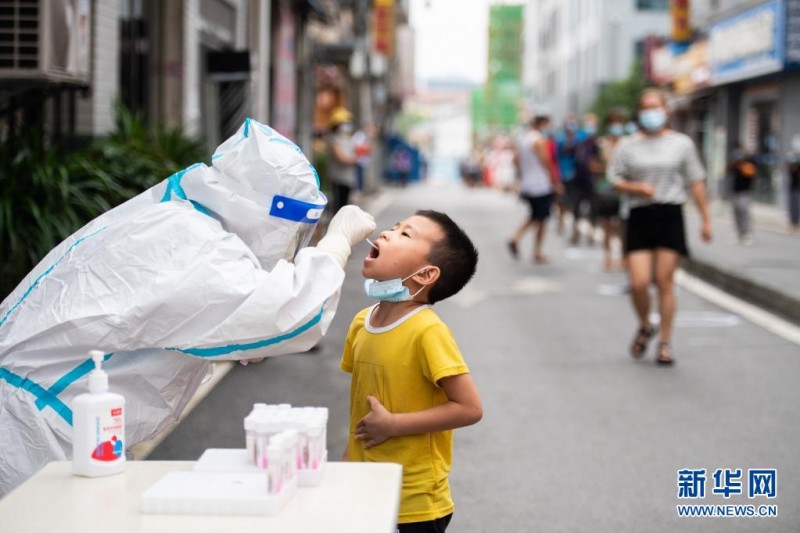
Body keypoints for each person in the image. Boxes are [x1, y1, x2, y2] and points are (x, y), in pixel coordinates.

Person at [0, 118, 376, 497]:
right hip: (36, 434)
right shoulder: (195, 246)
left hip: (58, 422)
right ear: (261, 211)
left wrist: (244, 329)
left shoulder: (178, 219)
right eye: (291, 229)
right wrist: (338, 241)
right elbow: (295, 313)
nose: (290, 241)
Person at [341, 210, 482, 532]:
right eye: (393, 228)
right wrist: (347, 465)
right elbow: (361, 409)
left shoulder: (426, 331)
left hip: (414, 503)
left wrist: (393, 425)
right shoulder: (363, 322)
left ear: (424, 275)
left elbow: (470, 408)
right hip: (364, 488)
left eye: (405, 234)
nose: (388, 233)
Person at [608, 88, 712, 365]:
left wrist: (705, 219)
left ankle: (665, 342)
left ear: (666, 110)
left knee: (665, 282)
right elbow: (613, 179)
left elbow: (696, 180)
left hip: (670, 213)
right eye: (645, 107)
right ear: (640, 112)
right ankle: (645, 324)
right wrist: (636, 188)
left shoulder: (682, 144)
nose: (650, 112)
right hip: (639, 214)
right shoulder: (627, 145)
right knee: (639, 282)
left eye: (655, 107)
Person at [507, 115, 564, 263]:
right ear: (542, 123)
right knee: (540, 217)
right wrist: (555, 180)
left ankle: (533, 248)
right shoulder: (539, 140)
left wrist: (522, 177)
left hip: (529, 183)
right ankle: (522, 241)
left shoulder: (524, 139)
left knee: (537, 216)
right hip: (541, 185)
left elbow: (516, 160)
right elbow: (547, 161)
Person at [595, 110, 627, 270]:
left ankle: (623, 256)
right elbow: (592, 164)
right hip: (606, 188)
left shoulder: (628, 143)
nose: (616, 126)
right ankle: (607, 255)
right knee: (607, 223)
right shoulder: (601, 144)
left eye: (619, 122)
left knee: (622, 225)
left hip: (624, 189)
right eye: (613, 122)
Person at [570, 113, 601, 245]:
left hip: (593, 181)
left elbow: (601, 161)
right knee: (576, 208)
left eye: (592, 123)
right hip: (578, 180)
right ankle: (575, 233)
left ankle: (591, 234)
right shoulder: (579, 141)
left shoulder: (598, 143)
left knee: (593, 209)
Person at [555, 113, 585, 234]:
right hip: (564, 173)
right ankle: (561, 221)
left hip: (578, 175)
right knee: (562, 200)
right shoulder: (561, 138)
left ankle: (575, 228)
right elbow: (559, 155)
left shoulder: (581, 136)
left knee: (576, 202)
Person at [327, 107, 359, 212]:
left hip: (349, 179)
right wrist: (355, 158)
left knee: (345, 206)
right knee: (338, 207)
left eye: (348, 122)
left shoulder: (350, 139)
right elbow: (343, 159)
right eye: (344, 123)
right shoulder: (334, 139)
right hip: (338, 179)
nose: (347, 125)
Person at [728, 143, 757, 245]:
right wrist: (735, 163)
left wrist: (741, 165)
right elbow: (728, 170)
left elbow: (750, 173)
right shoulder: (734, 163)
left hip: (745, 191)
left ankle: (747, 233)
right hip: (735, 191)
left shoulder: (749, 162)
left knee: (744, 211)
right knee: (736, 212)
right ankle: (738, 233)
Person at [787, 135, 800, 234]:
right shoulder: (791, 157)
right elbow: (790, 168)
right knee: (793, 206)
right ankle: (793, 224)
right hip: (793, 186)